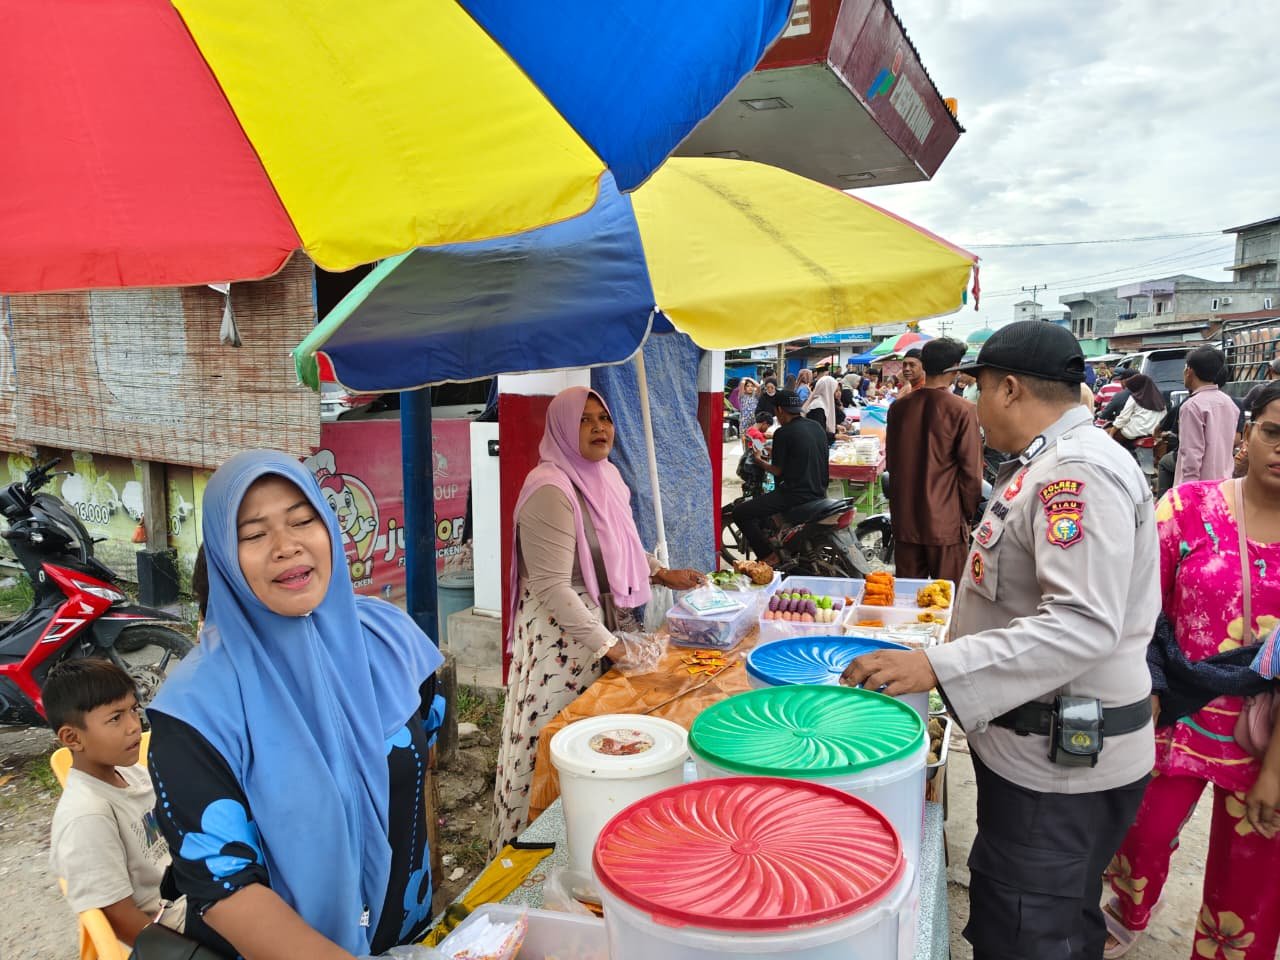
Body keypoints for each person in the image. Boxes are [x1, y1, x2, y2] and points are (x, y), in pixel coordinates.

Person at [844, 322, 1159, 960]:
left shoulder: (1076, 474)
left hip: (1058, 765)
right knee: (1049, 917)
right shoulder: (1049, 462)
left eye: (979, 389)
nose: (975, 406)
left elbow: (1080, 622)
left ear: (1009, 388)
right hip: (1041, 747)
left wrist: (937, 666)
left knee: (1028, 933)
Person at [146, 451, 445, 959]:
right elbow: (226, 891)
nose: (286, 547)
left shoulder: (390, 638)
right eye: (254, 534)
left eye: (303, 521)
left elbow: (423, 754)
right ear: (223, 556)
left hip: (409, 934)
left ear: (329, 526)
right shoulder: (195, 712)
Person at [1103, 380, 1280, 960]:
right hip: (1175, 713)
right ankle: (1126, 910)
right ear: (1247, 434)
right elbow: (1139, 607)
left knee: (1248, 885)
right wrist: (1149, 690)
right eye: (1274, 432)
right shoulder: (1186, 508)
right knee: (1140, 836)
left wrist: (1277, 768)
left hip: (1267, 736)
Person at [491, 388, 703, 851]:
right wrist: (611, 645)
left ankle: (597, 838)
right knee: (557, 742)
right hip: (561, 642)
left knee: (602, 744)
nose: (599, 427)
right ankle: (535, 849)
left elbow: (618, 544)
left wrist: (661, 572)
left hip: (605, 625)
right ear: (563, 429)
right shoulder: (550, 489)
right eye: (584, 420)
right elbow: (552, 587)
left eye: (604, 418)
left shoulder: (606, 476)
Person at [46, 660, 185, 948]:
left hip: (191, 892)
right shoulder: (87, 817)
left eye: (133, 709)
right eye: (115, 718)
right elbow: (119, 918)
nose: (134, 726)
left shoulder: (130, 772)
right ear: (73, 738)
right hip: (174, 927)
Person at [884, 337, 983, 582]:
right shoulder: (963, 409)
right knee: (947, 595)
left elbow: (892, 464)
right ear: (955, 367)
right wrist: (967, 516)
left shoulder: (898, 408)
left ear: (925, 365)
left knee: (908, 596)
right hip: (945, 521)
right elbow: (971, 474)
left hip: (906, 517)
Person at [738, 389, 829, 563]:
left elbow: (777, 471)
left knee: (741, 512)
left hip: (794, 495)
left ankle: (768, 556)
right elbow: (800, 453)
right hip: (819, 491)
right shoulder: (816, 427)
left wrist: (759, 461)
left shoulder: (783, 432)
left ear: (779, 410)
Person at [1174, 346, 1239, 486]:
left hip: (1200, 487)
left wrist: (1189, 489)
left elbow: (1191, 453)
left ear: (1189, 371)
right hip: (1224, 484)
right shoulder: (1228, 402)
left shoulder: (1192, 406)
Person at [1107, 373, 1165, 449]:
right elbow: (1164, 418)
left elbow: (1123, 418)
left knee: (1106, 435)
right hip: (1153, 434)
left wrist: (1111, 433)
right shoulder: (1160, 399)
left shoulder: (1134, 398)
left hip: (1133, 433)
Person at [802, 372, 839, 441]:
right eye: (834, 390)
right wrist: (836, 436)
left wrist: (837, 427)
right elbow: (818, 432)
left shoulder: (822, 403)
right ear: (828, 389)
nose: (835, 393)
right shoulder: (817, 406)